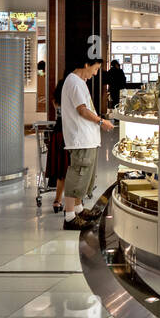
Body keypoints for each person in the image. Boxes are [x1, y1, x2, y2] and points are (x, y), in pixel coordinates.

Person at [60, 56, 114, 230]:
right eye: (96, 68)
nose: (96, 73)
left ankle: (78, 209)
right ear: (86, 64)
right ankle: (69, 217)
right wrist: (101, 121)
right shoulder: (74, 82)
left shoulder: (78, 82)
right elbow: (82, 110)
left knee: (85, 177)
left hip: (87, 139)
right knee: (78, 175)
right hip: (80, 139)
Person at [46, 74, 70, 213]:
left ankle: (57, 201)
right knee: (69, 170)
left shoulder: (56, 100)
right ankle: (70, 203)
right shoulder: (70, 99)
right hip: (67, 136)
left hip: (57, 134)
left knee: (61, 171)